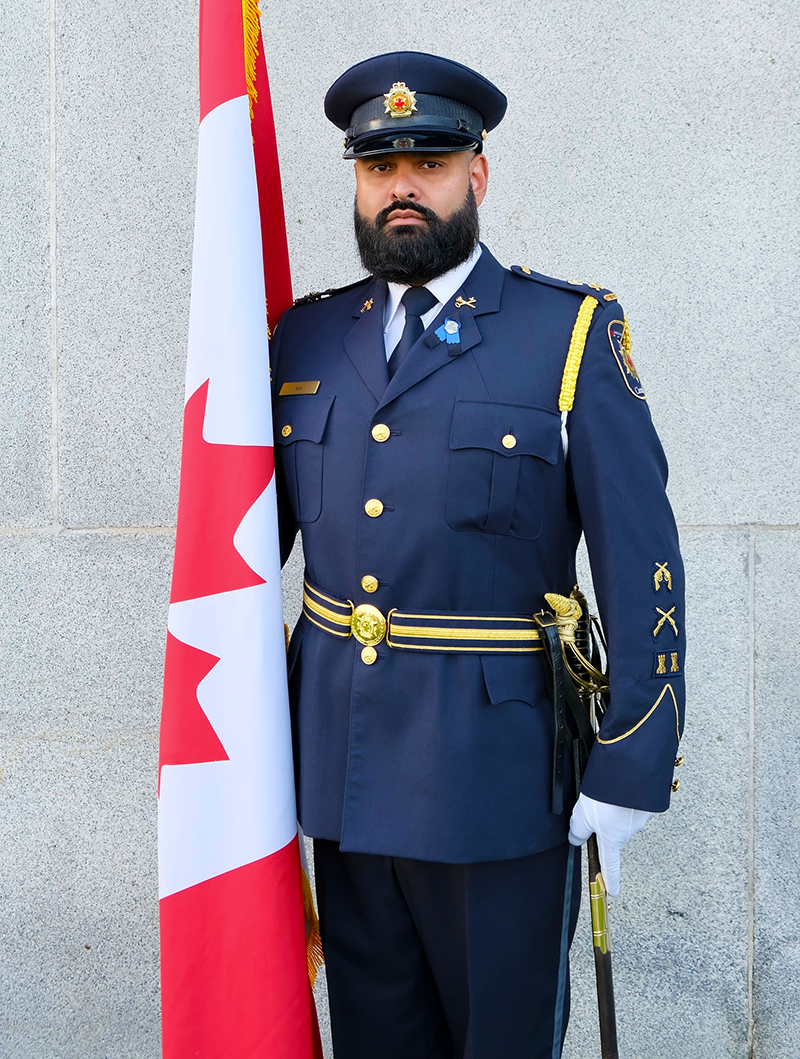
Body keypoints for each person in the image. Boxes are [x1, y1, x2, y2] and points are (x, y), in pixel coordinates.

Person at [270, 50, 686, 1059]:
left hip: (496, 784)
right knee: (375, 1040)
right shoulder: (306, 340)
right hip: (344, 771)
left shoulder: (566, 335)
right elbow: (240, 552)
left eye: (428, 160)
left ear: (476, 175)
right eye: (377, 168)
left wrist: (630, 762)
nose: (400, 186)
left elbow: (642, 564)